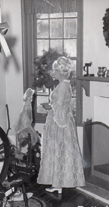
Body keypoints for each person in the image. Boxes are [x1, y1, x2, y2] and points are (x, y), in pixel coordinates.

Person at [37, 56, 86, 194]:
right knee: (61, 151)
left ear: (61, 71)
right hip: (63, 120)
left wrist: (48, 106)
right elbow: (61, 104)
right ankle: (59, 182)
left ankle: (58, 184)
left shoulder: (63, 86)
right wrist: (52, 106)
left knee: (58, 150)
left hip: (59, 123)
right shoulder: (65, 84)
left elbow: (58, 106)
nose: (53, 73)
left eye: (55, 70)